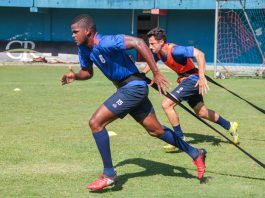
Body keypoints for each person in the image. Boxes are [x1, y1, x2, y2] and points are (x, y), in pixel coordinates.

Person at [61, 14, 207, 191]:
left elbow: (139, 42)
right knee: (156, 130)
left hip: (133, 87)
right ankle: (195, 153)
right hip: (126, 88)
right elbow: (87, 72)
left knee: (96, 123)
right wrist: (75, 76)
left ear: (88, 31)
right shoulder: (84, 49)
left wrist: (156, 72)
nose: (73, 35)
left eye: (75, 32)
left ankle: (109, 175)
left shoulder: (107, 41)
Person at [142, 27, 239, 152]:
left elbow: (200, 54)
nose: (150, 47)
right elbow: (151, 63)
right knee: (202, 112)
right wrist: (142, 74)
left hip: (192, 79)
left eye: (152, 43)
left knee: (167, 104)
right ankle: (230, 125)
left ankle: (178, 138)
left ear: (161, 42)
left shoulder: (176, 50)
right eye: (149, 44)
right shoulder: (158, 53)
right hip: (185, 80)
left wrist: (202, 76)